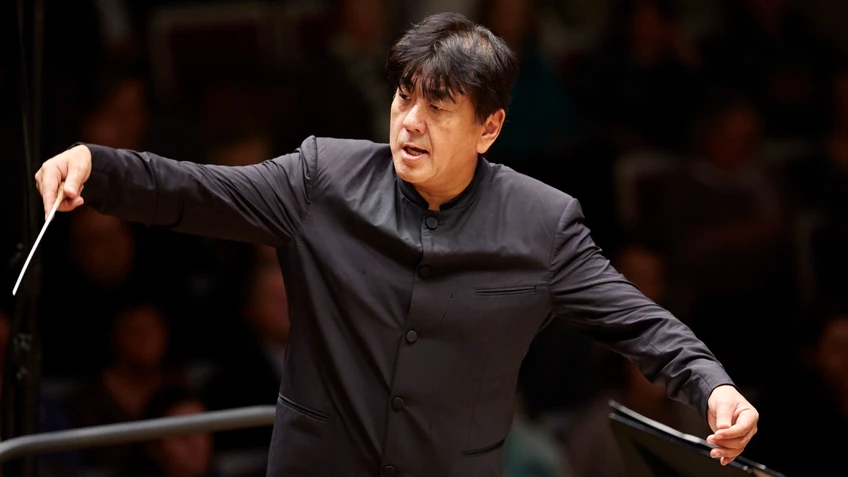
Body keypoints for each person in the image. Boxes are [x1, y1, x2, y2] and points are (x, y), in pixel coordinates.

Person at [35, 12, 758, 477]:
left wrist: (713, 385)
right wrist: (98, 167)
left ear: (489, 128)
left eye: (437, 105)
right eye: (402, 96)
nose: (409, 120)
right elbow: (194, 189)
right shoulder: (322, 175)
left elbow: (640, 321)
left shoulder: (543, 223)